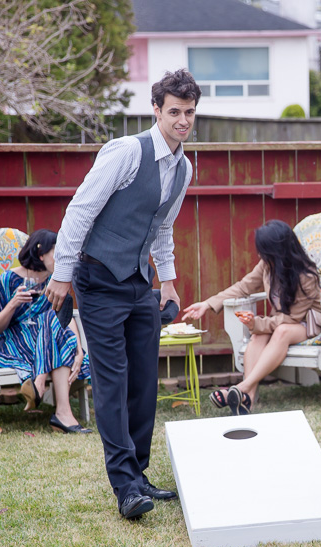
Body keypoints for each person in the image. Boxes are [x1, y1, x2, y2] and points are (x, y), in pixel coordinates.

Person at [45, 69, 201, 520]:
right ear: (156, 109)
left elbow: (163, 228)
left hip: (138, 283)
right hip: (97, 280)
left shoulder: (184, 167)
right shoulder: (126, 153)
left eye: (189, 113)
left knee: (143, 382)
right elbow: (80, 211)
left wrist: (167, 281)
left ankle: (140, 472)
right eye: (174, 112)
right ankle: (125, 488)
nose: (182, 121)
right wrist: (63, 275)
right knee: (112, 382)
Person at [181, 220, 321, 415]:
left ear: (279, 250)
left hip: (309, 322)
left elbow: (292, 319)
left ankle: (241, 387)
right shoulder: (267, 265)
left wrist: (256, 323)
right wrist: (207, 303)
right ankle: (247, 400)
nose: (259, 254)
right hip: (282, 320)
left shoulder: (307, 275)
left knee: (280, 331)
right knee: (257, 336)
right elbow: (243, 287)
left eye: (264, 250)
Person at [0, 229, 92, 434]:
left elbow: (66, 317)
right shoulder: (7, 280)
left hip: (47, 341)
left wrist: (79, 350)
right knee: (51, 320)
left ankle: (39, 383)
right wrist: (12, 304)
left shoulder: (56, 281)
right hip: (14, 343)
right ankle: (62, 413)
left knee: (53, 318)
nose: (62, 260)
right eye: (57, 254)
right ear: (40, 254)